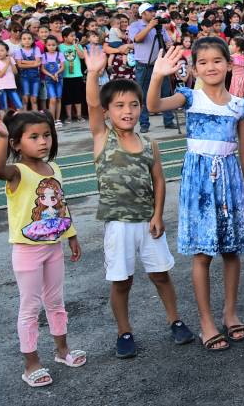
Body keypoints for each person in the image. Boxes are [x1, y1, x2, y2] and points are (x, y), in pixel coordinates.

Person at [83, 48, 195, 358]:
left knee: (161, 275)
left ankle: (175, 321)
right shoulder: (102, 136)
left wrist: (158, 215)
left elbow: (159, 180)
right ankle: (124, 332)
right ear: (108, 110)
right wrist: (92, 73)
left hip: (148, 222)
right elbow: (92, 104)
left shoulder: (149, 143)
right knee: (122, 282)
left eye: (134, 104)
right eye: (119, 105)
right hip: (119, 224)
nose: (128, 111)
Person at [147, 39, 244, 351]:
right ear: (194, 69)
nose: (211, 67)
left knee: (232, 251)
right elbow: (153, 106)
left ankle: (230, 313)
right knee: (202, 254)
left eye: (217, 60)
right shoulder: (189, 96)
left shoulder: (240, 105)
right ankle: (206, 321)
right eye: (203, 62)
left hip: (230, 179)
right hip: (199, 182)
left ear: (229, 64)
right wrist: (157, 76)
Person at [0, 111, 85, 388]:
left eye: (46, 135)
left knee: (56, 301)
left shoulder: (54, 168)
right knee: (30, 307)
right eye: (33, 137)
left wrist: (71, 234)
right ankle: (31, 363)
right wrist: (1, 138)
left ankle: (62, 350)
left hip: (53, 247)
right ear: (16, 144)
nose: (43, 141)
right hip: (27, 251)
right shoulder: (17, 172)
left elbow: (61, 205)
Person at [129, 3, 175, 131]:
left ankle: (169, 120)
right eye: (150, 11)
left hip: (159, 65)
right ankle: (144, 124)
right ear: (143, 14)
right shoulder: (135, 25)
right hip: (143, 65)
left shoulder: (159, 26)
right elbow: (137, 39)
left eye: (153, 11)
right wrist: (150, 26)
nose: (153, 13)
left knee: (165, 93)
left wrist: (168, 43)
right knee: (142, 95)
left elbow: (167, 41)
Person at [16, 32, 42, 111]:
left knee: (34, 99)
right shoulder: (19, 51)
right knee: (25, 98)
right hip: (24, 78)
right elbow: (19, 65)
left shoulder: (36, 49)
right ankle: (24, 116)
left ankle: (35, 116)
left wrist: (23, 61)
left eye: (29, 38)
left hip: (35, 77)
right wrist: (33, 63)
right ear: (21, 41)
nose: (27, 40)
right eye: (24, 39)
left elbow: (38, 63)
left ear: (32, 40)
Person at [0, 40, 22, 111]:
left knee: (19, 106)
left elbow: (15, 72)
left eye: (2, 50)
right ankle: (4, 118)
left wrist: (11, 63)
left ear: (7, 52)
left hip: (11, 86)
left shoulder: (10, 59)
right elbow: (0, 75)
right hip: (1, 87)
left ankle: (20, 118)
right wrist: (7, 64)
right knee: (4, 107)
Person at [41, 36, 64, 123]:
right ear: (46, 45)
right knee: (52, 98)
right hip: (49, 80)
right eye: (49, 45)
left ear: (57, 45)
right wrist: (51, 75)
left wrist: (57, 73)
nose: (51, 47)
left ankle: (58, 119)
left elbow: (62, 67)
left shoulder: (60, 54)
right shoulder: (44, 56)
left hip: (59, 79)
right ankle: (52, 119)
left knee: (58, 98)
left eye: (53, 45)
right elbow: (42, 69)